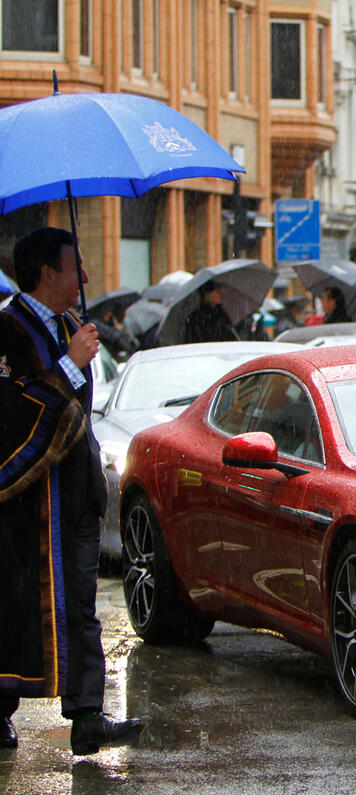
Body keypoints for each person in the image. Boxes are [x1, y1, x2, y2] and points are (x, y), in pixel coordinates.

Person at [0, 227, 144, 754]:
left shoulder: (69, 326)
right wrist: (69, 366)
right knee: (15, 608)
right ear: (46, 274)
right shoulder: (7, 330)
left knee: (82, 608)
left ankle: (86, 718)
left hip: (75, 499)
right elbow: (10, 414)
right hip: (25, 506)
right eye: (75, 266)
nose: (84, 277)